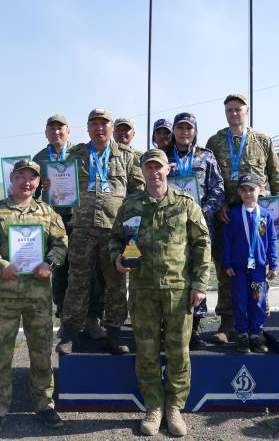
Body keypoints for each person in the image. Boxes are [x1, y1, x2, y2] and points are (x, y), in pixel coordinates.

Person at [110, 149, 210, 437]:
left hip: (178, 291)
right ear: (142, 171)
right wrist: (117, 258)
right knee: (147, 352)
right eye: (148, 167)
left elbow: (202, 242)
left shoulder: (185, 203)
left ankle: (174, 408)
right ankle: (154, 406)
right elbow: (116, 239)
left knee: (179, 353)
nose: (153, 172)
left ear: (168, 170)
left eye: (158, 167)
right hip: (143, 291)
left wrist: (200, 283)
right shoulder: (131, 206)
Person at [0, 159, 68, 435]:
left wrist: (48, 264)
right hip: (5, 295)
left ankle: (43, 404)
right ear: (12, 179)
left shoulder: (47, 212)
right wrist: (2, 265)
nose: (27, 182)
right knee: (0, 352)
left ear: (38, 182)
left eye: (32, 178)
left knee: (40, 351)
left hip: (38, 295)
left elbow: (61, 243)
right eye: (21, 176)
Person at [54, 108, 145, 355]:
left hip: (114, 231)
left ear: (111, 127)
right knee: (77, 281)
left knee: (115, 282)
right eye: (94, 124)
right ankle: (71, 332)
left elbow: (138, 191)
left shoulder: (127, 156)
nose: (99, 128)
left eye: (103, 124)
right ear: (88, 128)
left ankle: (114, 332)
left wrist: (132, 227)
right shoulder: (76, 154)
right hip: (82, 228)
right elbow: (60, 183)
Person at [205, 93, 279, 343]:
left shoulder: (262, 140)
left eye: (238, 109)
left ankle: (258, 320)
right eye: (229, 110)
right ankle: (227, 323)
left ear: (247, 111)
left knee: (258, 266)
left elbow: (275, 173)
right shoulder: (215, 140)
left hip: (256, 216)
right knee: (226, 268)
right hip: (227, 216)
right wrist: (217, 204)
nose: (233, 113)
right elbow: (211, 176)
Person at [32, 115, 105, 339]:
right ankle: (65, 318)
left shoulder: (80, 153)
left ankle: (93, 318)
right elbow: (29, 192)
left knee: (89, 270)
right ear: (46, 133)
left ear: (69, 131)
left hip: (79, 219)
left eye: (60, 128)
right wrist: (39, 185)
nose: (56, 132)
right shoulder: (39, 158)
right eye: (51, 129)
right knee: (60, 270)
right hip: (52, 222)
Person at [166, 112, 224, 350]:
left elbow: (218, 187)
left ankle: (196, 328)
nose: (184, 132)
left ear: (195, 131)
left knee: (199, 271)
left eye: (189, 128)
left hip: (199, 224)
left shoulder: (206, 157)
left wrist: (203, 210)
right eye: (180, 128)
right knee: (174, 271)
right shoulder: (163, 157)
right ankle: (170, 325)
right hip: (169, 226)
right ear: (174, 132)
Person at [222, 173, 278, 354]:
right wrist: (227, 263)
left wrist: (273, 264)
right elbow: (227, 240)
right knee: (240, 302)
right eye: (244, 190)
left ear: (260, 190)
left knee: (258, 301)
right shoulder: (233, 215)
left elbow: (272, 241)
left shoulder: (266, 216)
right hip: (238, 269)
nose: (248, 194)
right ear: (238, 192)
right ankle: (242, 335)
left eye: (251, 190)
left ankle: (256, 334)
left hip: (259, 270)